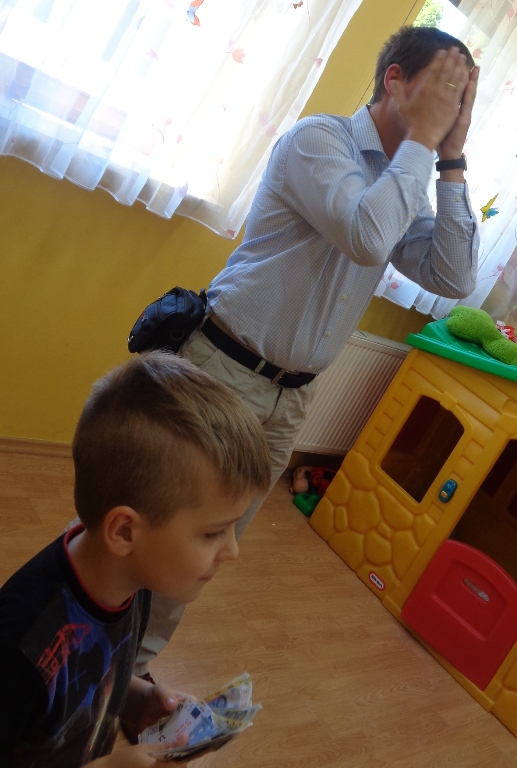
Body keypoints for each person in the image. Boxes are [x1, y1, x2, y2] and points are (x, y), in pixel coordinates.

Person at [134, 24, 480, 677]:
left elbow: (454, 276)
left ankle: (130, 669)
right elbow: (365, 234)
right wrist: (423, 142)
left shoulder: (402, 180)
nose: (451, 104)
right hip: (223, 371)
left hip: (290, 398)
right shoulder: (318, 140)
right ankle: (72, 648)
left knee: (206, 550)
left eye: (461, 96)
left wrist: (451, 158)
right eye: (444, 86)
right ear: (395, 80)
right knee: (154, 525)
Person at [0, 352, 271, 768]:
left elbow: (87, 676)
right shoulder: (20, 648)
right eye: (213, 532)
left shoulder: (132, 578)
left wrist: (135, 697)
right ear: (125, 531)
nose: (232, 551)